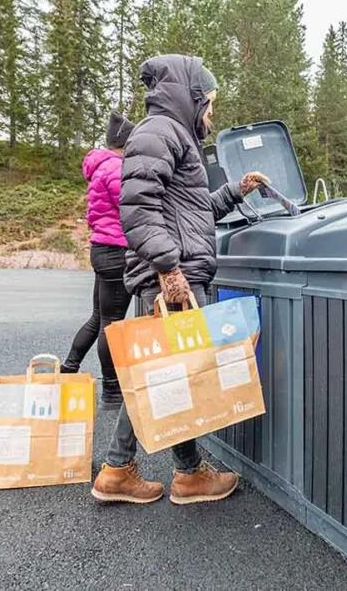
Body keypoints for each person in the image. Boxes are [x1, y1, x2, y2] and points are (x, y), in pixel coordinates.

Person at [91, 54, 270, 505]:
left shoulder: (173, 134)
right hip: (174, 278)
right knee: (167, 376)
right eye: (209, 103)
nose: (211, 113)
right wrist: (168, 268)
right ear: (191, 98)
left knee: (168, 375)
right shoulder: (160, 132)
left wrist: (236, 190)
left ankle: (141, 472)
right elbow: (137, 207)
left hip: (179, 273)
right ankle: (162, 473)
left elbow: (190, 211)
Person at [61, 111, 136, 410]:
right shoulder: (117, 169)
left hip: (102, 249)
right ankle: (112, 392)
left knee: (99, 318)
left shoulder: (100, 167)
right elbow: (132, 206)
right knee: (112, 324)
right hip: (117, 251)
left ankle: (68, 369)